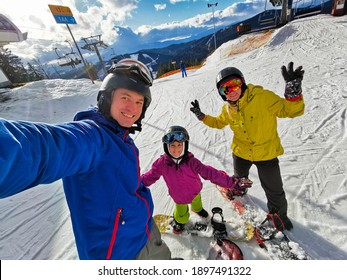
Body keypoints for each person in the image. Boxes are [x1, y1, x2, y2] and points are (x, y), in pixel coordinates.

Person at [0, 59, 171, 260]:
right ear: (107, 99)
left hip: (145, 232)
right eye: (125, 97)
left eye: (139, 102)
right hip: (123, 255)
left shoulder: (123, 139)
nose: (132, 108)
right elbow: (43, 146)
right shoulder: (93, 137)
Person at [190, 62, 305, 230]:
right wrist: (201, 116)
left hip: (266, 153)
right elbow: (217, 123)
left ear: (242, 83)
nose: (232, 91)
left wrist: (293, 95)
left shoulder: (262, 97)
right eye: (225, 89)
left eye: (234, 84)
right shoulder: (228, 109)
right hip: (241, 152)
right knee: (239, 177)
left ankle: (279, 217)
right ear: (222, 94)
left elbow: (291, 110)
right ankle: (238, 191)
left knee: (274, 190)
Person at [141, 125, 252, 234]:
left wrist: (233, 182)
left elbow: (211, 174)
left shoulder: (192, 162)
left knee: (197, 202)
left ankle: (197, 209)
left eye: (179, 145)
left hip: (195, 191)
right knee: (182, 216)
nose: (176, 149)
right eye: (172, 145)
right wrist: (133, 184)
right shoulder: (161, 164)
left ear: (185, 145)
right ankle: (178, 222)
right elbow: (150, 176)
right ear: (166, 146)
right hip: (180, 198)